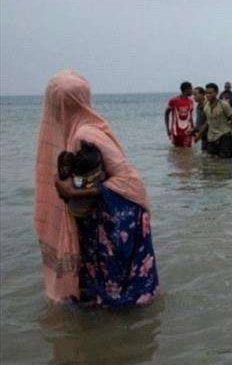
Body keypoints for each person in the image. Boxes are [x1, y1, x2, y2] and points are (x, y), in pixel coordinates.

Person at [35, 70, 159, 306]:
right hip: (118, 205)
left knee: (115, 279)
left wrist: (73, 192)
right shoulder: (86, 127)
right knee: (112, 275)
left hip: (120, 206)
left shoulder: (84, 134)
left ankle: (118, 318)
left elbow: (126, 178)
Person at [194, 82, 232, 158]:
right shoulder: (206, 107)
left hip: (225, 137)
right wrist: (198, 135)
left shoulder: (224, 105)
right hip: (212, 138)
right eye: (206, 93)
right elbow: (207, 122)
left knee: (225, 162)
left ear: (216, 93)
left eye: (210, 93)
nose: (208, 95)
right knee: (211, 161)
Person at [164, 81, 194, 148]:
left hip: (188, 131)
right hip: (176, 132)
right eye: (191, 89)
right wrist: (167, 129)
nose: (192, 91)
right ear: (186, 89)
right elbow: (166, 114)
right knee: (176, 150)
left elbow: (190, 117)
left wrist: (193, 129)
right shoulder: (174, 101)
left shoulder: (191, 102)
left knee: (188, 150)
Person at [193, 86, 208, 151]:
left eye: (195, 94)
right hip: (203, 135)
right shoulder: (199, 105)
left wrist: (198, 135)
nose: (194, 97)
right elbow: (200, 122)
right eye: (193, 95)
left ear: (202, 94)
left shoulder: (206, 105)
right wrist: (194, 130)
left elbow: (207, 122)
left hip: (209, 135)